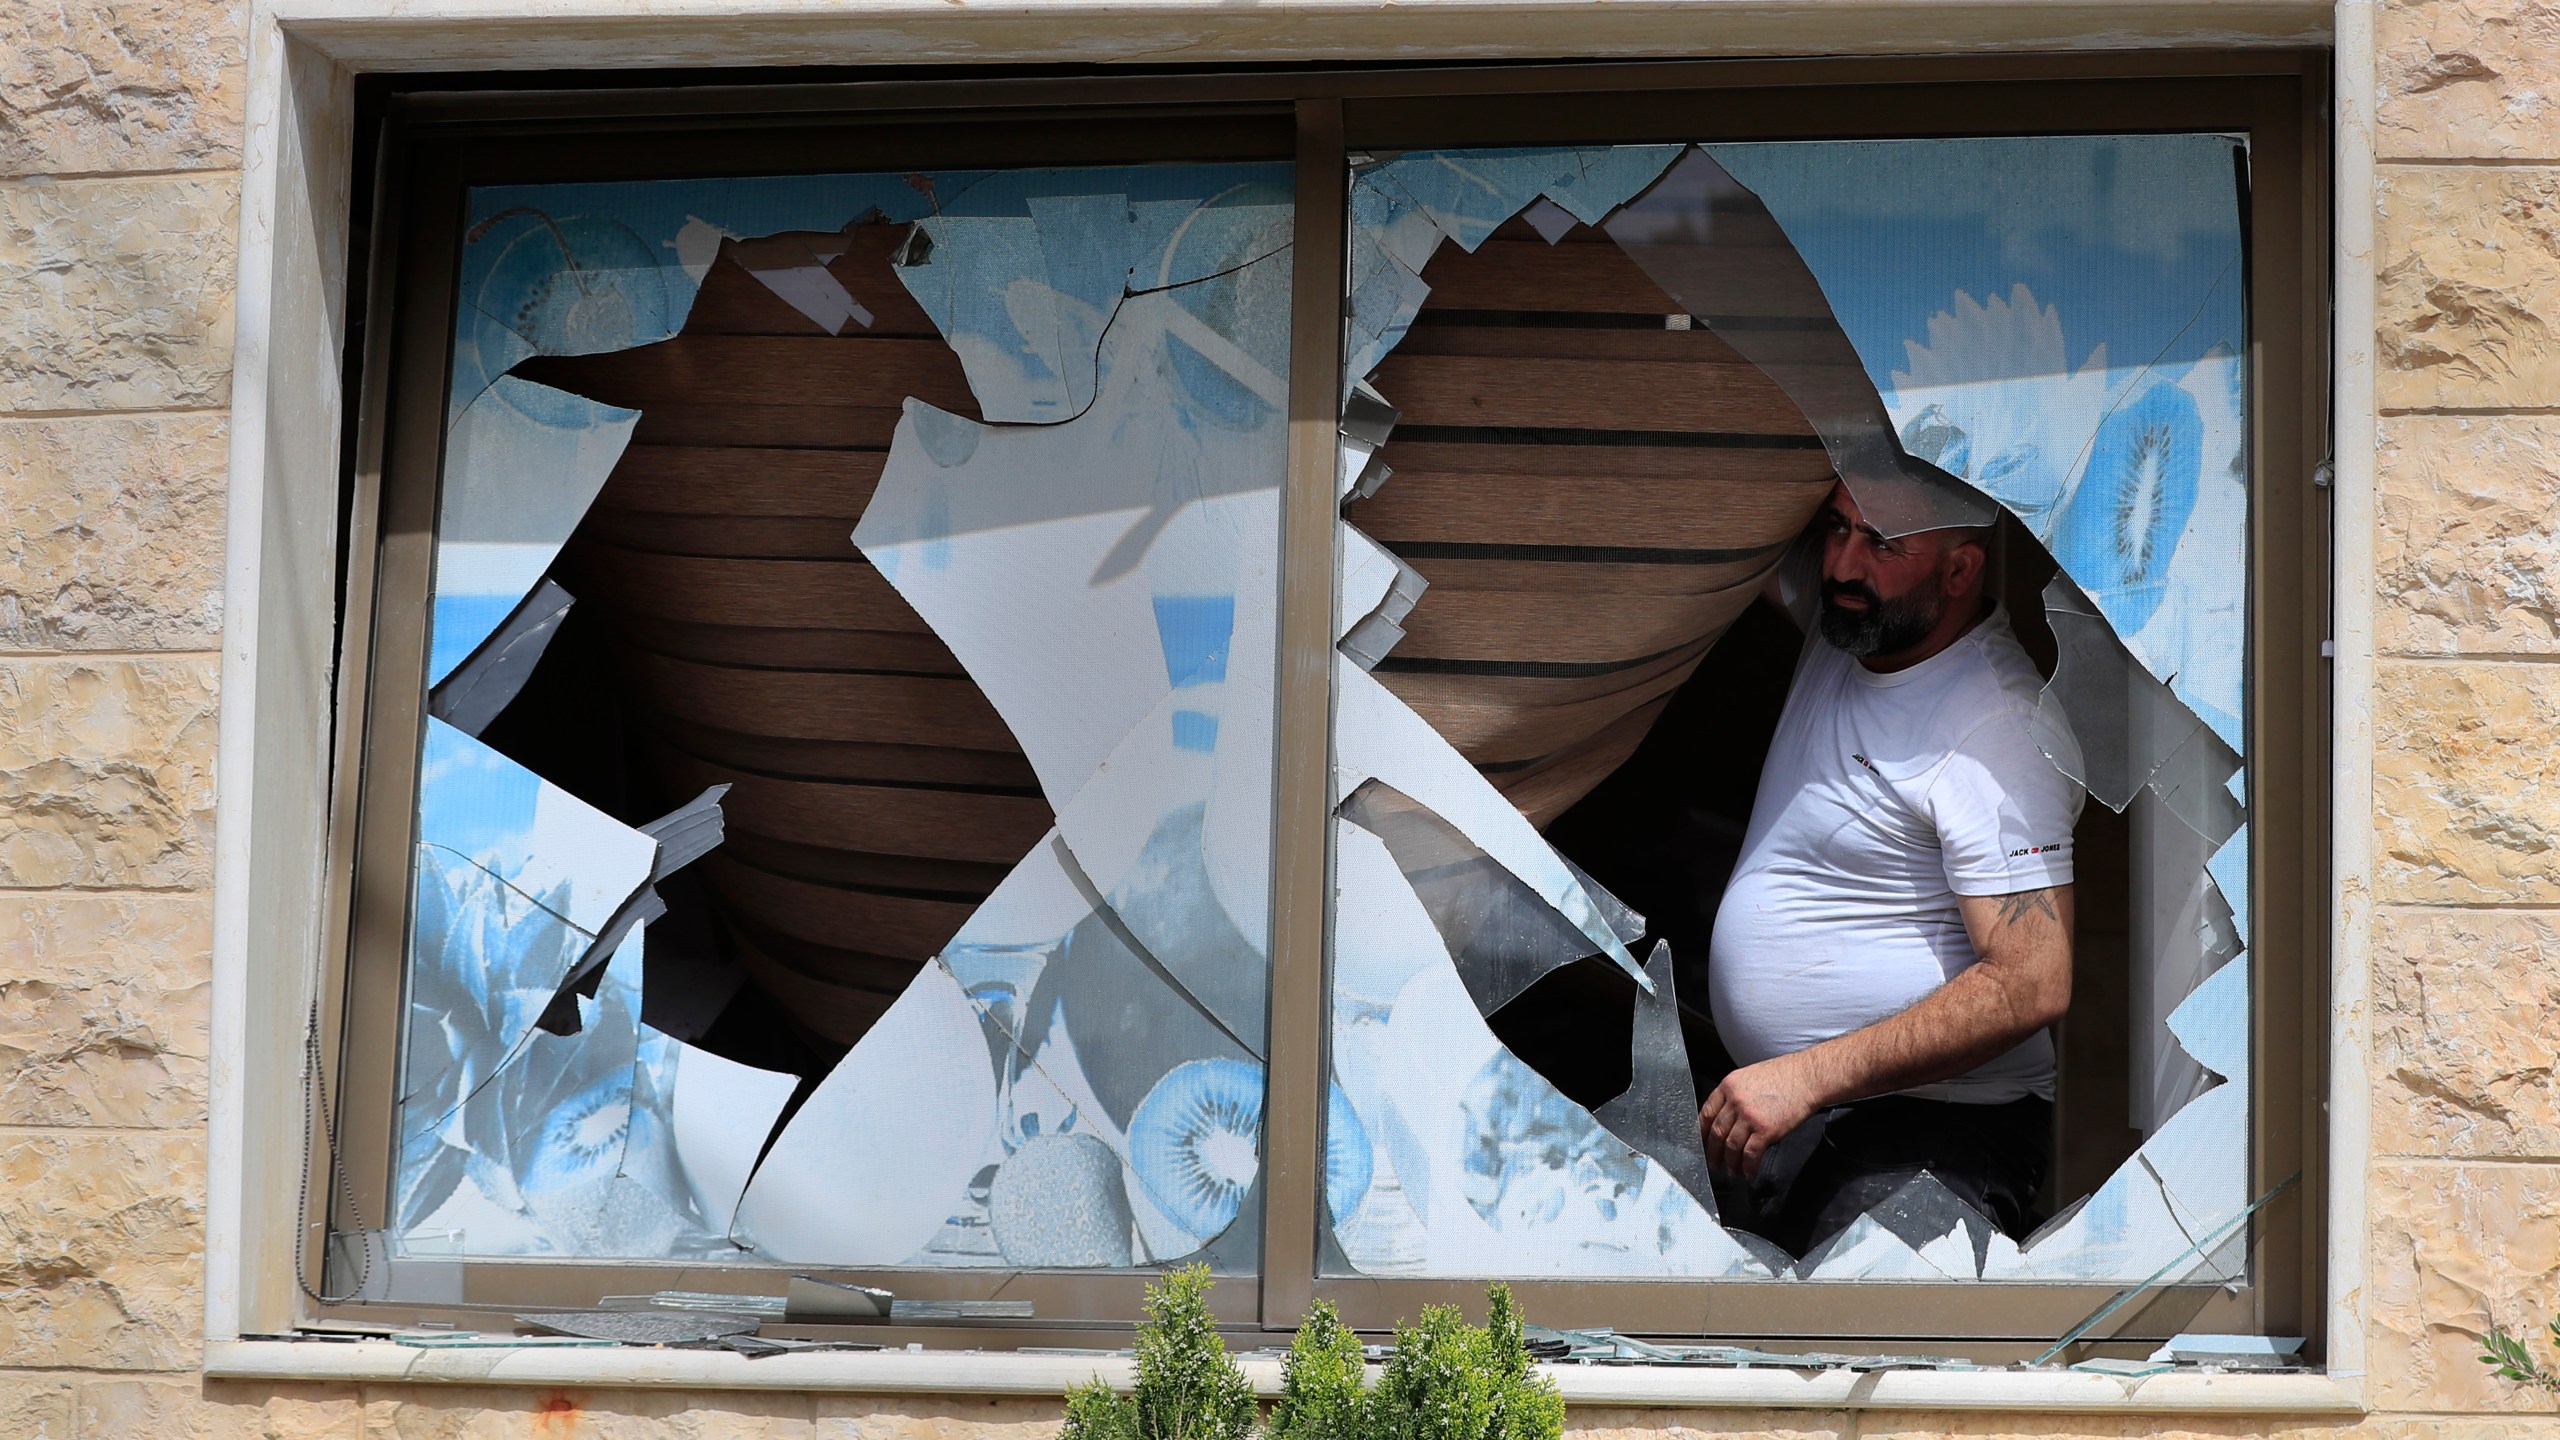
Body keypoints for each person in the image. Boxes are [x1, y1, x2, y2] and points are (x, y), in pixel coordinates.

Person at [1700, 478, 2082, 1259]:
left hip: (1930, 1140)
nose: (1841, 564)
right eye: (1836, 529)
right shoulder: (1849, 626)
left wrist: (1805, 1077)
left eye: (1882, 544)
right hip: (1797, 1117)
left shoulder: (1994, 727)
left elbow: (2033, 978)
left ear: (1959, 570)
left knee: (1859, 1368)